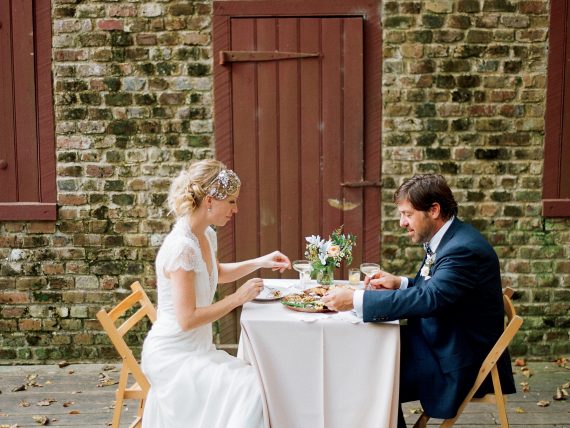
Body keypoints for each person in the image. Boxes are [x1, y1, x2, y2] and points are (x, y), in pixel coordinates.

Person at [322, 174, 515, 427]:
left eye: (408, 214)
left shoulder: (463, 249)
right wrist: (400, 283)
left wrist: (356, 299)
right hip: (438, 340)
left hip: (454, 362)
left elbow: (430, 298)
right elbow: (439, 291)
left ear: (434, 210)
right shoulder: (451, 238)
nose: (402, 222)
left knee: (366, 372)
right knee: (363, 352)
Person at [141, 159, 291, 428]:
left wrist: (261, 261)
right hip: (174, 358)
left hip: (200, 350)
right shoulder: (181, 248)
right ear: (209, 201)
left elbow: (215, 272)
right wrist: (237, 298)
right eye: (231, 201)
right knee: (254, 390)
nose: (236, 209)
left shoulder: (205, 235)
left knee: (260, 382)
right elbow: (187, 319)